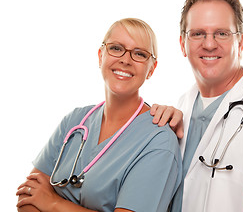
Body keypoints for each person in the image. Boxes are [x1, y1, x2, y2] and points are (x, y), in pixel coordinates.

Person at [16, 18, 182, 212]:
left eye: (139, 54)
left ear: (151, 69)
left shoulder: (159, 141)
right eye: (116, 48)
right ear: (100, 55)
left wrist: (52, 203)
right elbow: (28, 196)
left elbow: (41, 199)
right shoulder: (75, 121)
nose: (125, 60)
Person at [151, 0, 243, 212]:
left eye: (222, 33)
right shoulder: (181, 107)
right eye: (197, 34)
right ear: (182, 44)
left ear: (240, 43)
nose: (210, 44)